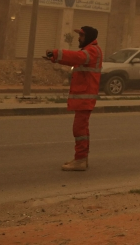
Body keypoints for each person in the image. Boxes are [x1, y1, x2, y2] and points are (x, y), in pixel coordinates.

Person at [45, 25, 102, 171]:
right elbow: (75, 60)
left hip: (85, 97)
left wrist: (57, 53)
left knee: (79, 129)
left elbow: (77, 57)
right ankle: (81, 158)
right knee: (81, 129)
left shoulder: (92, 51)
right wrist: (55, 58)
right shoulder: (89, 50)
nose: (79, 38)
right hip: (84, 97)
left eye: (82, 35)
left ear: (88, 37)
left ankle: (80, 160)